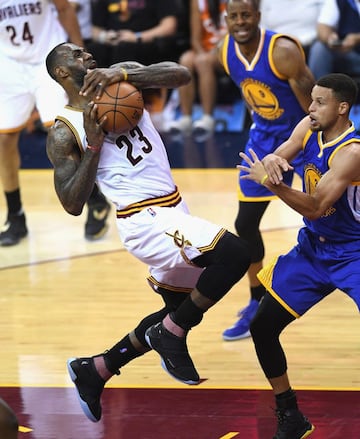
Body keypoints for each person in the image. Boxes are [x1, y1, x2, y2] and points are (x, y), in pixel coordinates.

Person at [45, 42, 251, 422]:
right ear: (61, 73)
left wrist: (124, 74)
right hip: (143, 220)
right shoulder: (63, 131)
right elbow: (72, 203)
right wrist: (93, 145)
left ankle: (97, 370)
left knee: (177, 308)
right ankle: (170, 335)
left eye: (85, 51)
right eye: (75, 55)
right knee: (235, 254)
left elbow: (181, 74)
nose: (87, 55)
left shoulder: (120, 74)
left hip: (174, 207)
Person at [238, 72, 359, 438]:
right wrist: (273, 161)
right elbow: (280, 153)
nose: (310, 107)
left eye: (319, 102)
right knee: (262, 326)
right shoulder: (308, 127)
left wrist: (271, 182)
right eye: (311, 100)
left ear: (342, 107)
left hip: (354, 253)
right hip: (314, 250)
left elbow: (316, 205)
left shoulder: (352, 153)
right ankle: (290, 414)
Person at [216, 0, 315, 341]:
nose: (240, 22)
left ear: (258, 16)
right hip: (262, 139)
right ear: (226, 19)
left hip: (302, 137)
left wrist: (313, 148)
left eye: (246, 15)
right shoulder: (224, 51)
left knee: (334, 214)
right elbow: (252, 97)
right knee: (245, 224)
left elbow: (314, 107)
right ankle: (257, 300)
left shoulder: (283, 51)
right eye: (234, 16)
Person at [0, 0, 111, 246]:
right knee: (4, 139)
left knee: (61, 130)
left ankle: (94, 200)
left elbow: (65, 8)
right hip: (8, 62)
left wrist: (79, 56)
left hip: (46, 59)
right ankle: (15, 215)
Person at [168, 0, 228, 138]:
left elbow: (233, 35)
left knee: (203, 62)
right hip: (205, 51)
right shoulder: (197, 2)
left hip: (226, 50)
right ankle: (186, 118)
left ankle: (208, 118)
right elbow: (195, 38)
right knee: (186, 60)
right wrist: (201, 52)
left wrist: (210, 55)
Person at [308, 0, 360, 80]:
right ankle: (320, 88)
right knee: (319, 48)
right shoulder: (339, 1)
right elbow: (322, 26)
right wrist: (329, 38)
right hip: (350, 54)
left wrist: (357, 38)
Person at [259, 0, 325, 59]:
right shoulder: (267, 2)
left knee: (320, 49)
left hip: (311, 44)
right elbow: (262, 29)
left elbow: (327, 22)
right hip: (278, 48)